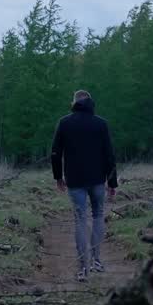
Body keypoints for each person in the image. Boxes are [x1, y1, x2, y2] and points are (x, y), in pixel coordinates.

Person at [50, 89, 118, 282]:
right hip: (97, 179)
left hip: (75, 180)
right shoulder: (101, 124)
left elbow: (55, 153)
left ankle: (83, 268)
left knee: (80, 219)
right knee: (97, 215)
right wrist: (112, 182)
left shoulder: (65, 123)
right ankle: (97, 260)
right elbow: (110, 155)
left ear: (74, 102)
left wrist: (58, 177)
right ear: (90, 102)